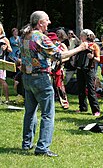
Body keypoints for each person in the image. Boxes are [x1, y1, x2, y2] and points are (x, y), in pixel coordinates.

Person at [20, 10, 88, 157]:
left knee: (30, 113)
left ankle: (26, 144)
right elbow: (59, 55)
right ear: (40, 23)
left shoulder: (24, 35)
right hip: (40, 79)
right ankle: (42, 148)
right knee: (48, 114)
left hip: (27, 78)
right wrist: (79, 48)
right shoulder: (40, 37)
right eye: (47, 20)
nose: (49, 23)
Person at [75, 29, 101, 116]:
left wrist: (92, 57)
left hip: (90, 69)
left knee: (91, 89)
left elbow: (98, 59)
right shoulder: (81, 45)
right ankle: (82, 107)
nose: (80, 37)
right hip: (80, 68)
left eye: (82, 36)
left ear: (87, 36)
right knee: (80, 89)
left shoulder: (94, 46)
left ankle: (95, 110)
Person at [47, 32, 69, 109]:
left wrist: (60, 60)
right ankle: (48, 103)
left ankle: (64, 102)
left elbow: (68, 56)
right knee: (48, 86)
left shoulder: (61, 46)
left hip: (58, 68)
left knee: (59, 86)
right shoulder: (47, 47)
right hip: (48, 68)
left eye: (52, 40)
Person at [0, 22, 12, 103]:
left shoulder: (4, 39)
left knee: (2, 80)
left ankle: (7, 99)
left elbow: (10, 50)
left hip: (1, 60)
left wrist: (6, 47)